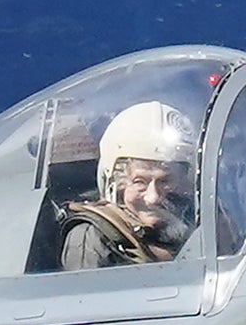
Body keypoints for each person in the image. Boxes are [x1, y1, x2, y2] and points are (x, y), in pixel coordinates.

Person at [52, 101, 198, 268]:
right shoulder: (93, 239)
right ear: (116, 184)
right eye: (139, 182)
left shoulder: (198, 223)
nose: (153, 198)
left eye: (165, 181)